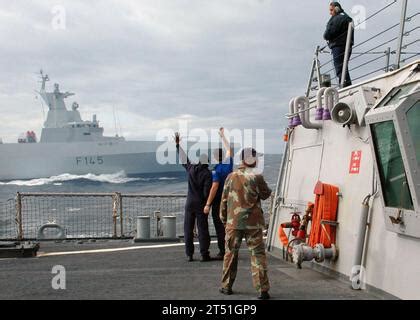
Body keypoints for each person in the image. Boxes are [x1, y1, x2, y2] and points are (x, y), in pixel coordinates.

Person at [219, 148, 272, 300]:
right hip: (253, 224)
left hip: (233, 223)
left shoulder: (231, 177)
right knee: (257, 255)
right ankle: (262, 290)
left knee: (230, 254)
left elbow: (224, 200)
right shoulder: (257, 177)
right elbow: (266, 194)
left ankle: (226, 286)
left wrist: (224, 219)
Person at [175, 132, 213, 262]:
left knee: (188, 229)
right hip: (201, 204)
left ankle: (189, 254)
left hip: (189, 203)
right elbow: (206, 191)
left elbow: (183, 159)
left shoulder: (191, 168)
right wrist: (207, 203)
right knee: (202, 230)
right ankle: (204, 254)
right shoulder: (207, 174)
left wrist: (178, 145)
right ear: (207, 162)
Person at [203, 128, 234, 260]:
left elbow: (214, 187)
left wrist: (208, 204)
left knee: (219, 227)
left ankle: (223, 251)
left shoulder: (216, 171)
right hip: (230, 201)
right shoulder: (228, 165)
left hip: (219, 202)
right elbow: (230, 150)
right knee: (228, 226)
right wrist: (223, 137)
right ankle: (231, 249)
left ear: (216, 157)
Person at [323, 2, 354, 87]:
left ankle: (345, 86)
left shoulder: (337, 19)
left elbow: (327, 34)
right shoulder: (347, 18)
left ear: (336, 9)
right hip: (347, 45)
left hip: (338, 46)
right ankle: (347, 85)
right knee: (344, 67)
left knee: (340, 68)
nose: (330, 12)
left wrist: (326, 35)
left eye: (331, 10)